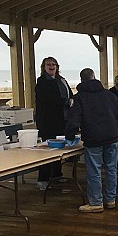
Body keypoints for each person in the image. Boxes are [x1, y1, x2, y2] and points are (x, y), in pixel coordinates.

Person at [65, 68, 118, 213]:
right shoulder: (110, 96)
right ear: (94, 78)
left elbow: (73, 121)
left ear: (81, 80)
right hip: (112, 137)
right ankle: (111, 200)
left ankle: (96, 202)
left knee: (94, 170)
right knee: (111, 169)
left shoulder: (79, 98)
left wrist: (70, 137)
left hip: (93, 139)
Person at [35, 56, 73, 190]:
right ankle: (43, 179)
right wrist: (65, 102)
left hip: (62, 119)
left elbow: (70, 94)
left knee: (59, 148)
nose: (51, 66)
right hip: (47, 121)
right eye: (48, 64)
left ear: (57, 66)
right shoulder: (41, 82)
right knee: (47, 151)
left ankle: (57, 173)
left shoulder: (62, 80)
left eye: (53, 64)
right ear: (44, 67)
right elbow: (47, 99)